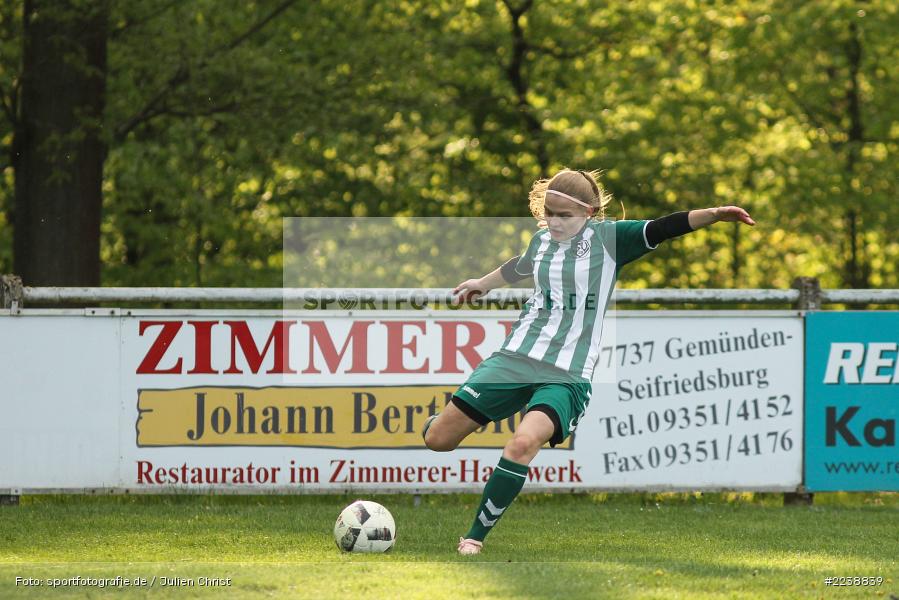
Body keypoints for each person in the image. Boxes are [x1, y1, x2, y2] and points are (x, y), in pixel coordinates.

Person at [421, 168, 755, 555]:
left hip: (567, 375)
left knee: (522, 443)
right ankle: (438, 423)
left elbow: (664, 227)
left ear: (591, 211)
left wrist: (712, 214)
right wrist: (483, 282)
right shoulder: (542, 240)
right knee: (438, 440)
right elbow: (521, 265)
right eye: (549, 212)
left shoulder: (611, 239)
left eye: (565, 215)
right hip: (515, 357)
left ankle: (473, 539)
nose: (554, 221)